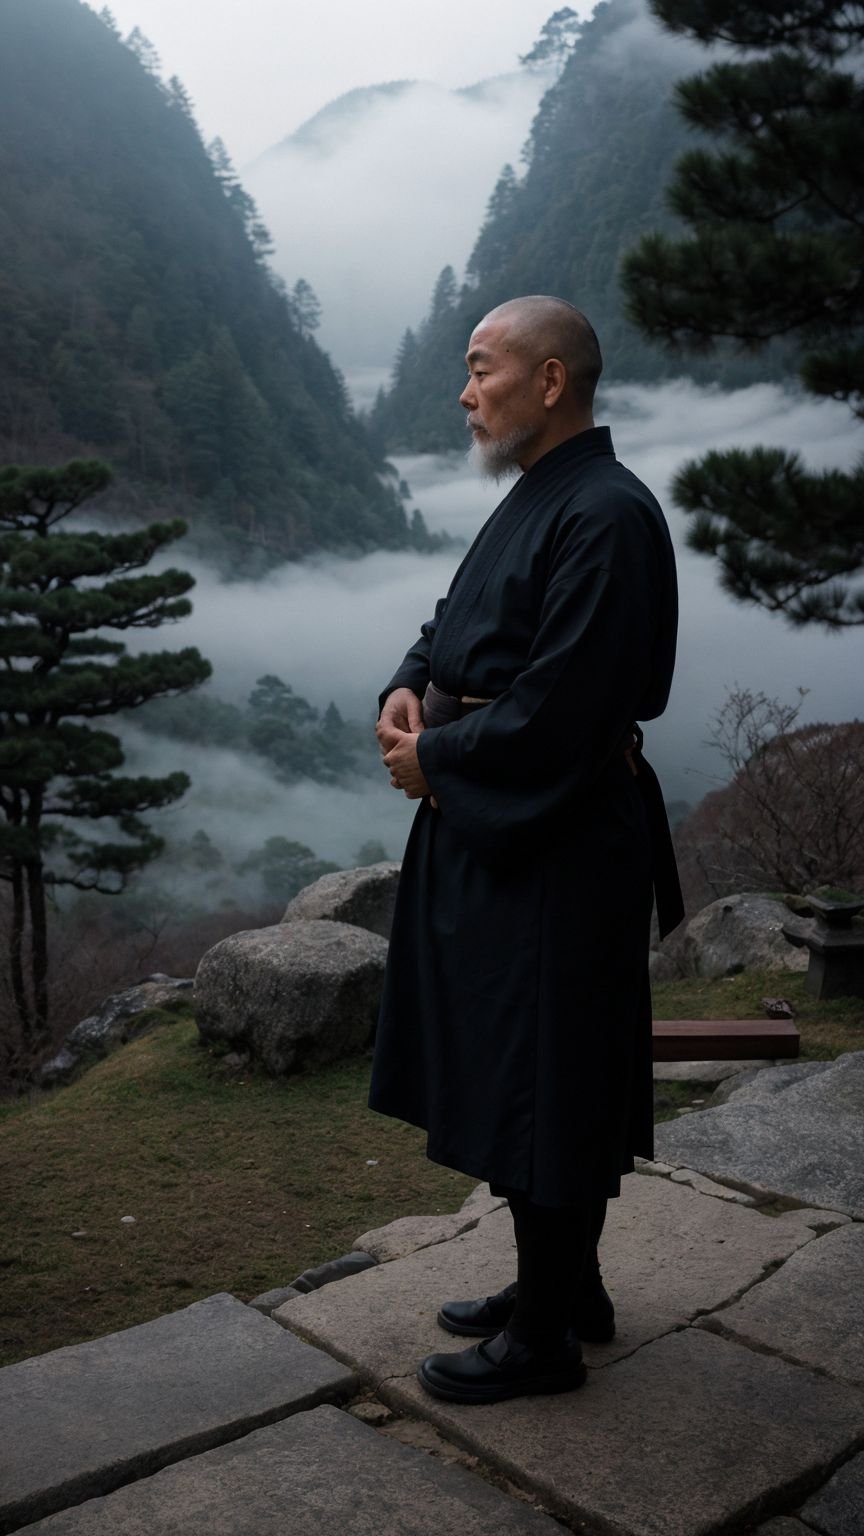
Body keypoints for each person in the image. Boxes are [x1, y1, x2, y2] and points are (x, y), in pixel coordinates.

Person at [371, 295, 682, 1405]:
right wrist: (410, 687)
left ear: (550, 382)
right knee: (524, 1070)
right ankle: (563, 1288)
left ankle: (544, 1336)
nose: (464, 391)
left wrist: (439, 767)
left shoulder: (605, 512)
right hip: (503, 833)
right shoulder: (540, 494)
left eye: (480, 368)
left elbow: (567, 704)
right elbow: (455, 620)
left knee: (553, 1078)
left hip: (554, 839)